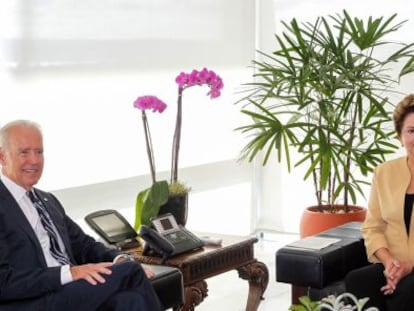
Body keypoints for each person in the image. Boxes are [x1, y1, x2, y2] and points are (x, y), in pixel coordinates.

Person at [0, 120, 162, 310]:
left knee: (129, 300)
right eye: (24, 152)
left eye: (39, 152)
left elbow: (84, 245)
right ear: (2, 157)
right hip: (33, 300)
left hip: (69, 292)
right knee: (132, 271)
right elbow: (3, 282)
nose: (34, 160)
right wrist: (69, 273)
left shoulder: (47, 200)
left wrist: (119, 258)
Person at [345, 94, 414, 311]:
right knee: (358, 281)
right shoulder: (384, 172)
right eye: (412, 131)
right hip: (392, 262)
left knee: (407, 291)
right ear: (400, 135)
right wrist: (388, 263)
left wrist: (409, 266)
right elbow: (372, 227)